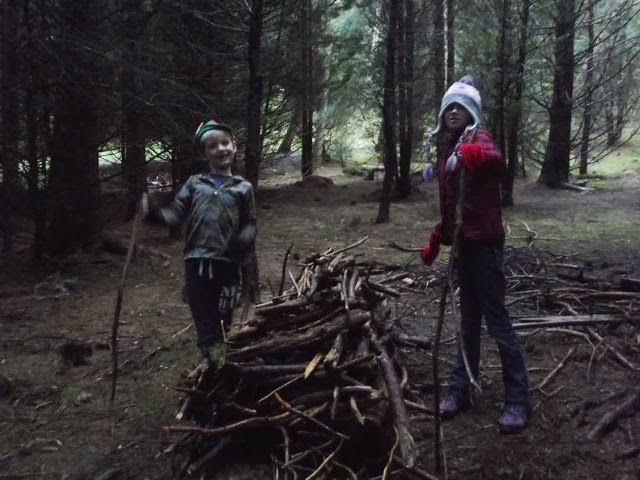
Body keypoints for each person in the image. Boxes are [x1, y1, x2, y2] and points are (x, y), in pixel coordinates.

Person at [420, 76, 531, 433]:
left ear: (471, 112)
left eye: (460, 107)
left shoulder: (476, 139)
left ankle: (518, 400)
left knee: (498, 323)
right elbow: (456, 205)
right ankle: (459, 389)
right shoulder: (450, 146)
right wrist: (438, 237)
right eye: (449, 106)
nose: (454, 111)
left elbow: (496, 160)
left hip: (484, 245)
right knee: (467, 322)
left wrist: (474, 154)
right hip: (465, 246)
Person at [142, 119, 257, 366]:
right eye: (213, 146)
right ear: (205, 153)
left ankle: (225, 358)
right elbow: (175, 214)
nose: (220, 149)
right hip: (196, 261)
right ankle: (214, 358)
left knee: (225, 315)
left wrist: (243, 240)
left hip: (228, 263)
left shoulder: (243, 187)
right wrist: (153, 214)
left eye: (225, 143)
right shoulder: (194, 183)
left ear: (234, 146)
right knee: (204, 314)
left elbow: (250, 222)